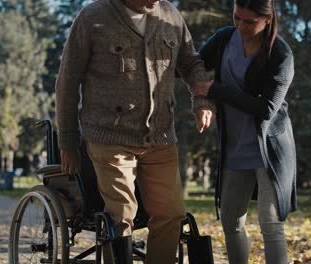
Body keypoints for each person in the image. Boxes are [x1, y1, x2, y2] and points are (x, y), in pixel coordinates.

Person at [54, 0, 215, 263]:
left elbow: (192, 64)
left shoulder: (170, 16)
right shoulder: (93, 18)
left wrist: (203, 101)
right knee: (121, 215)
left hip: (160, 137)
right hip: (109, 138)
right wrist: (68, 141)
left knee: (171, 214)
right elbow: (67, 82)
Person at [194, 0, 297, 263]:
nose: (240, 26)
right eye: (237, 17)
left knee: (270, 223)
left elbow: (266, 108)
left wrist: (217, 91)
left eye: (248, 21)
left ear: (267, 18)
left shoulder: (281, 55)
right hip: (235, 146)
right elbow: (195, 65)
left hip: (269, 149)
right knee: (230, 219)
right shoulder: (224, 39)